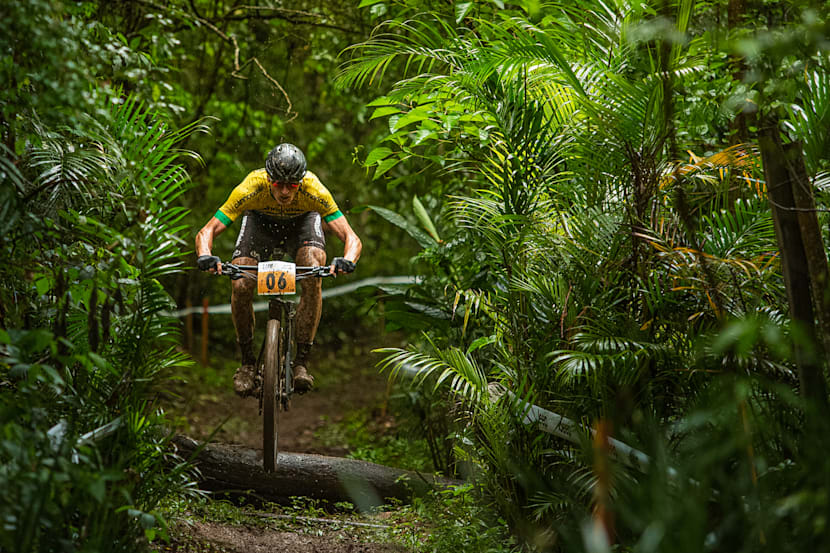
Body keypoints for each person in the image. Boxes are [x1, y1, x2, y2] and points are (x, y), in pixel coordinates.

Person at [195, 143, 362, 396]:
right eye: (278, 184)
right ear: (268, 179)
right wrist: (205, 255)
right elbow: (207, 231)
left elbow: (352, 237)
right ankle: (247, 364)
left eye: (292, 185)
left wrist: (347, 260)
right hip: (260, 224)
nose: (285, 191)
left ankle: (301, 363)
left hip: (302, 225)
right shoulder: (251, 187)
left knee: (313, 273)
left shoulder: (315, 190)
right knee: (241, 283)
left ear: (301, 182)